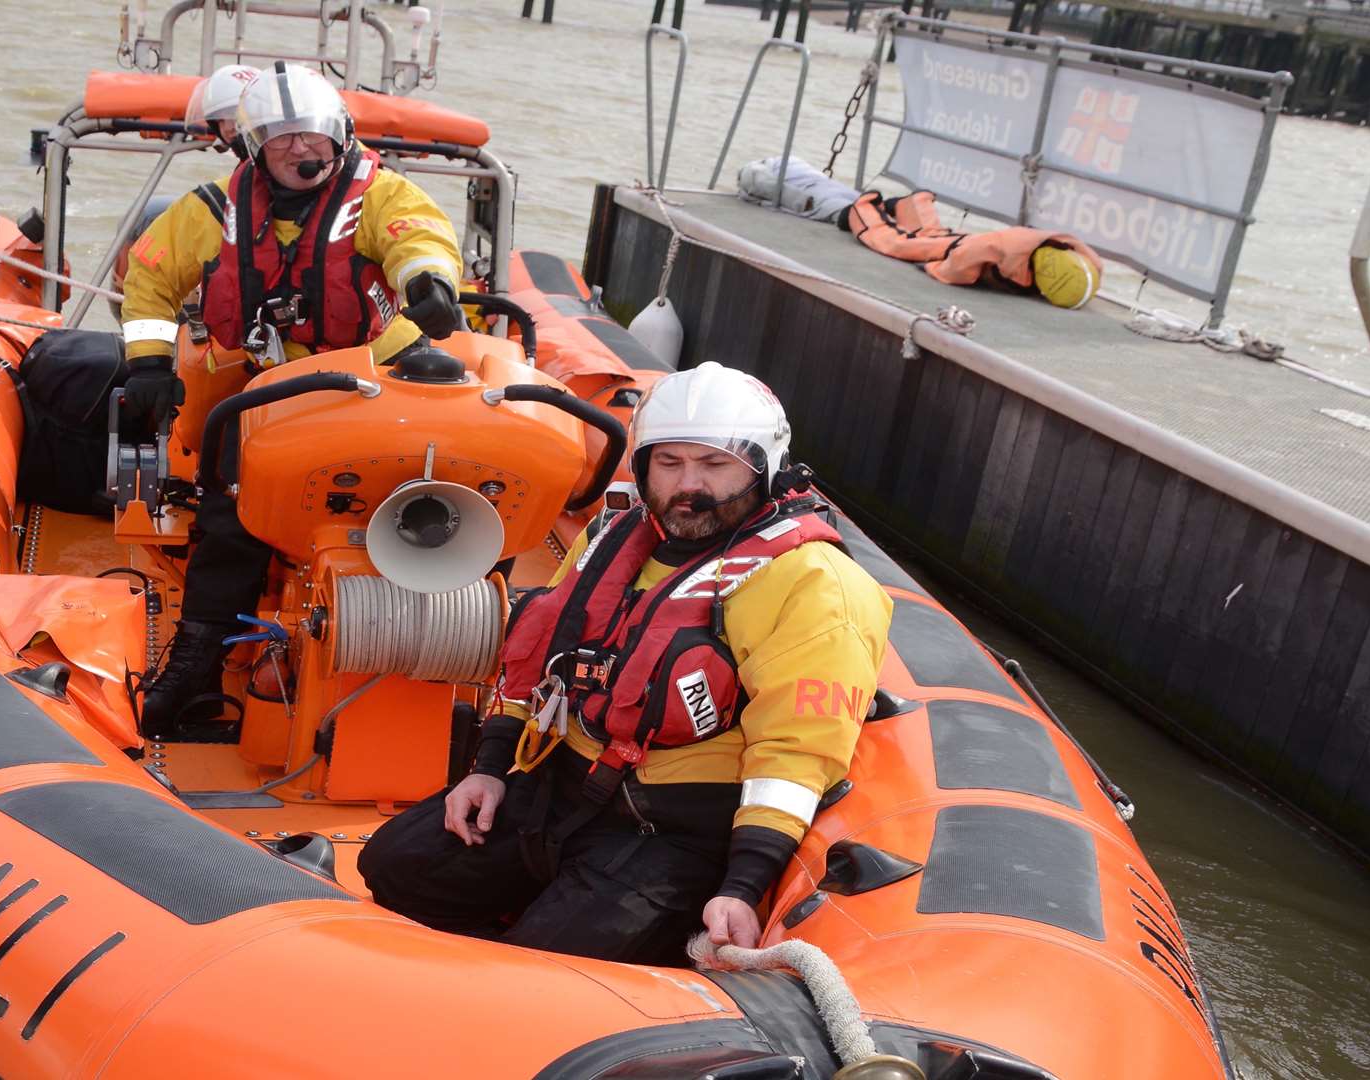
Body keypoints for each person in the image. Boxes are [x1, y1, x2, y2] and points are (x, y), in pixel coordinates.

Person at [357, 363, 893, 965]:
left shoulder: (812, 582)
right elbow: (537, 655)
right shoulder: (611, 537)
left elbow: (797, 751)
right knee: (394, 867)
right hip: (559, 787)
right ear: (642, 466)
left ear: (762, 465)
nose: (689, 484)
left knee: (545, 965)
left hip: (673, 832)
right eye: (669, 463)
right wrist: (490, 767)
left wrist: (744, 885)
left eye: (715, 464)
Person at [120, 62, 466, 732]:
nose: (302, 150)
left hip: (375, 378)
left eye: (313, 136)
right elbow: (151, 279)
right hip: (272, 389)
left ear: (338, 136)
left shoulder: (379, 198)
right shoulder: (210, 213)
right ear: (253, 148)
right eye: (281, 139)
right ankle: (198, 666)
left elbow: (415, 237)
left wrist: (430, 283)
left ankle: (433, 665)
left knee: (424, 509)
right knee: (229, 520)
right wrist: (149, 362)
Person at [847, 190, 1102, 310]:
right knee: (900, 244)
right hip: (967, 247)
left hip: (978, 243)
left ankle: (913, 203)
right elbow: (960, 262)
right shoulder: (1002, 250)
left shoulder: (1067, 254)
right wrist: (933, 268)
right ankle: (863, 210)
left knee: (933, 236)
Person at [186, 63, 262, 156]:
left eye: (234, 115)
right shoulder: (250, 166)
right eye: (219, 120)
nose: (228, 128)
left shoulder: (275, 167)